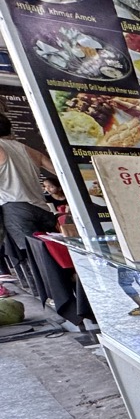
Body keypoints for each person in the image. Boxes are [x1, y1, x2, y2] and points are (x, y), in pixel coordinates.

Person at [0, 112, 58, 304]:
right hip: (43, 208)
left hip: (16, 209)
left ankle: (51, 298)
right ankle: (67, 292)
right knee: (55, 253)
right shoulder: (28, 149)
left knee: (31, 257)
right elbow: (60, 170)